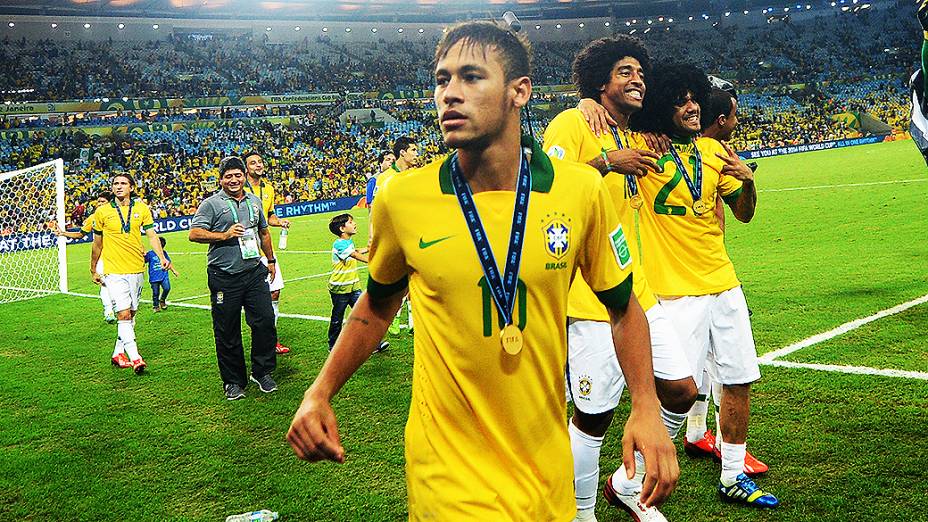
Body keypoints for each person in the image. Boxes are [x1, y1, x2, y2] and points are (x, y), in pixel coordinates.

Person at [287, 21, 678, 521]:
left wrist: (645, 406)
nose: (449, 93)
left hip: (543, 465)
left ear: (520, 92)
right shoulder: (402, 198)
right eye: (441, 79)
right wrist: (320, 391)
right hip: (445, 470)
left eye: (471, 77)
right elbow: (377, 305)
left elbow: (624, 308)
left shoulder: (580, 192)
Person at [543, 36, 697, 522]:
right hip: (589, 297)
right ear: (600, 81)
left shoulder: (631, 133)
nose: (638, 80)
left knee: (682, 390)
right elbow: (547, 188)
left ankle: (627, 486)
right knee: (594, 417)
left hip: (637, 291)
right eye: (626, 72)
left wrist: (636, 144)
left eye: (641, 74)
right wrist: (606, 162)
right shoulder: (573, 122)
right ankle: (580, 512)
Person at [630, 63, 778, 508]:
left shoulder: (715, 153)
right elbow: (593, 149)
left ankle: (732, 474)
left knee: (738, 377)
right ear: (660, 109)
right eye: (679, 100)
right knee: (680, 392)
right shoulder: (641, 150)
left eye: (693, 97)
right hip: (675, 292)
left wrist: (749, 183)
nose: (692, 106)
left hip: (724, 284)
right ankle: (635, 478)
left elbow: (745, 213)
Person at [684, 86, 769, 477]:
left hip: (705, 272)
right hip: (693, 278)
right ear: (721, 120)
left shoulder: (711, 156)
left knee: (706, 363)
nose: (737, 121)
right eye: (734, 115)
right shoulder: (694, 154)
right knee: (720, 365)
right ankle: (721, 442)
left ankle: (698, 431)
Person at [189, 156, 279, 401]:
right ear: (221, 179)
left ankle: (262, 372)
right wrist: (224, 235)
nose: (234, 179)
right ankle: (233, 381)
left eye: (238, 175)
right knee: (227, 330)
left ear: (243, 176)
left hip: (253, 272)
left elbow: (263, 231)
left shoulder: (254, 200)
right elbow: (194, 234)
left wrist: (270, 261)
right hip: (224, 276)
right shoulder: (211, 204)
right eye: (228, 176)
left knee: (265, 321)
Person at [90, 174, 171, 373]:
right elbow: (97, 244)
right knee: (124, 314)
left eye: (123, 183)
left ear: (131, 187)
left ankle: (118, 353)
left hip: (136, 268)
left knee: (131, 314)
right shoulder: (102, 212)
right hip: (113, 270)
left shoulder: (142, 208)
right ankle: (135, 357)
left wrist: (161, 257)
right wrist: (93, 269)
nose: (118, 187)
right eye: (115, 183)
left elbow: (151, 235)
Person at [242, 149, 291, 355]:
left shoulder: (268, 189)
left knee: (275, 291)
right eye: (253, 163)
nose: (258, 165)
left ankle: (271, 338)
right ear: (246, 168)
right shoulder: (239, 188)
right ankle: (261, 337)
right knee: (253, 296)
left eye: (260, 162)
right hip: (245, 246)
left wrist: (279, 222)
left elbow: (269, 215)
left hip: (264, 244)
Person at [372, 137, 420, 335]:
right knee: (395, 281)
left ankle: (413, 322)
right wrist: (373, 236)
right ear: (403, 152)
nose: (417, 154)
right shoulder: (385, 177)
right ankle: (394, 317)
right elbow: (375, 209)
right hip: (393, 235)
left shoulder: (416, 175)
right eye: (414, 150)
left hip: (414, 234)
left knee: (415, 279)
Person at [326, 213, 388, 353]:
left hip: (353, 287)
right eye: (351, 222)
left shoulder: (347, 242)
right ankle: (333, 345)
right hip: (340, 289)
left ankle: (375, 343)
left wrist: (367, 248)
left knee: (366, 314)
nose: (354, 224)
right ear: (342, 229)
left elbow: (354, 251)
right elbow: (353, 255)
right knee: (337, 318)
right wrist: (372, 261)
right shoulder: (339, 244)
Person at [55, 191, 116, 323]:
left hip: (118, 255)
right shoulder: (93, 218)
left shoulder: (117, 214)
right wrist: (63, 233)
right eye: (98, 201)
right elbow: (80, 234)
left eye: (102, 201)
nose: (98, 204)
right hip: (102, 257)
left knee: (119, 283)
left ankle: (118, 306)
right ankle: (108, 311)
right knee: (104, 284)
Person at [145, 237, 180, 312]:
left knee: (167, 288)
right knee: (155, 292)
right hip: (154, 277)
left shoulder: (164, 253)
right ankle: (155, 306)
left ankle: (162, 300)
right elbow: (143, 261)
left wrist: (174, 271)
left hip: (164, 275)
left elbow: (168, 262)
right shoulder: (150, 254)